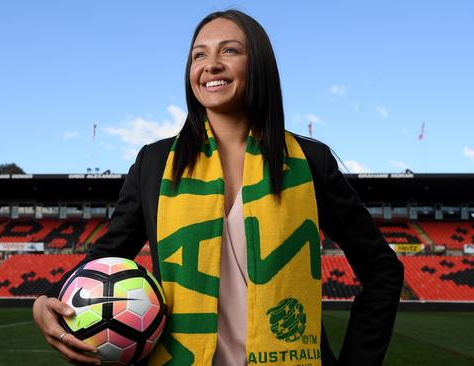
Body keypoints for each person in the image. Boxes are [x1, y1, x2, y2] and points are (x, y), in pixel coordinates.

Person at [33, 9, 404, 366]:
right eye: (199, 54)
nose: (211, 64)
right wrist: (49, 298)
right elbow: (106, 255)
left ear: (258, 64)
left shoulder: (311, 162)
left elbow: (383, 268)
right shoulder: (155, 163)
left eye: (229, 50)